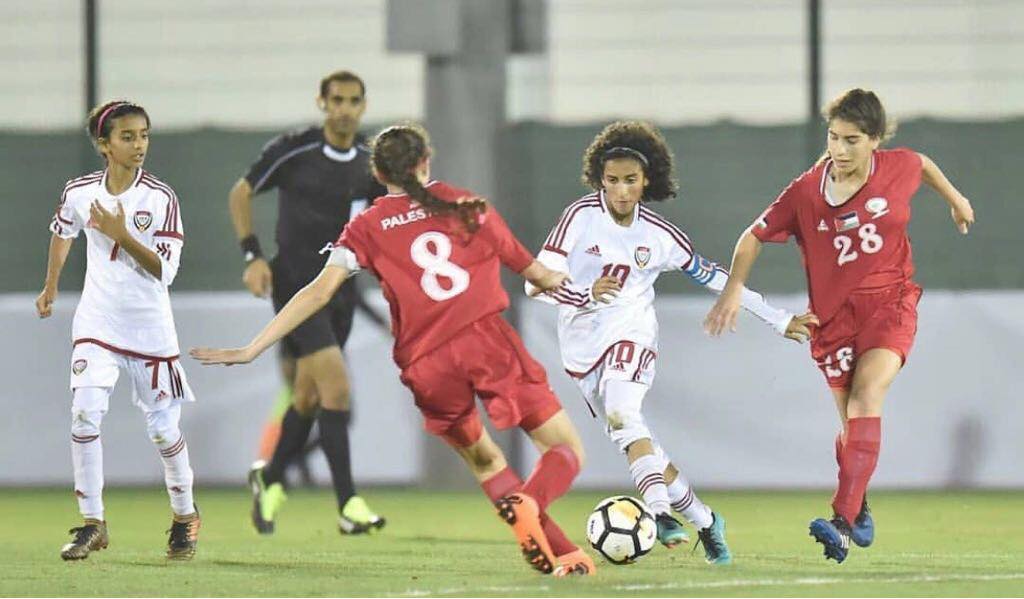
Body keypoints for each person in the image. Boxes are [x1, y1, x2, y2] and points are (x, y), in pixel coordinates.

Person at [194, 123, 595, 576]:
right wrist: (586, 290)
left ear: (378, 174)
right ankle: (531, 502)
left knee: (486, 462)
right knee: (565, 449)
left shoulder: (364, 227)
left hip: (426, 367)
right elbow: (539, 275)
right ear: (426, 161)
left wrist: (253, 347)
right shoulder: (468, 206)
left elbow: (317, 292)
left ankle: (566, 555)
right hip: (483, 341)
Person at [527, 121, 817, 566]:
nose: (621, 191)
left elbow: (716, 276)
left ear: (647, 180)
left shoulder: (659, 236)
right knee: (636, 440)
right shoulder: (580, 218)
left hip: (632, 334)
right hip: (581, 350)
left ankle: (659, 514)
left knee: (625, 414)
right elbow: (534, 284)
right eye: (612, 180)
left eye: (630, 180)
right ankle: (706, 520)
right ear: (599, 179)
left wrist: (777, 319)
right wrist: (584, 294)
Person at [704, 88, 975, 563]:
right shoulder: (806, 192)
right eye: (834, 137)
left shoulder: (896, 166)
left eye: (852, 140)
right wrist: (733, 288)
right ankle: (858, 503)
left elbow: (923, 165)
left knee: (867, 397)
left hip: (890, 304)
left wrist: (956, 199)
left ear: (875, 140)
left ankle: (842, 522)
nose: (840, 149)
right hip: (832, 323)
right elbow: (752, 236)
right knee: (852, 427)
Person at [37, 100, 201, 561]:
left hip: (149, 330)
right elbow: (63, 231)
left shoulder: (161, 198)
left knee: (163, 430)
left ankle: (185, 515)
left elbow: (165, 271)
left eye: (144, 135)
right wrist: (51, 285)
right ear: (104, 145)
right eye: (128, 137)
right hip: (97, 322)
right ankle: (93, 523)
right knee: (84, 413)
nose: (139, 144)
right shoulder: (79, 192)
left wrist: (122, 234)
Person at [227, 70, 386, 534]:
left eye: (353, 101)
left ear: (363, 106)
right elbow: (241, 192)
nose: (345, 109)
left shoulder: (371, 162)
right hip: (296, 287)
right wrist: (253, 256)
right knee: (336, 388)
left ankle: (271, 477)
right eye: (337, 100)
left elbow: (383, 225)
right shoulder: (295, 149)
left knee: (309, 395)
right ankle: (348, 505)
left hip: (342, 291)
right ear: (322, 103)